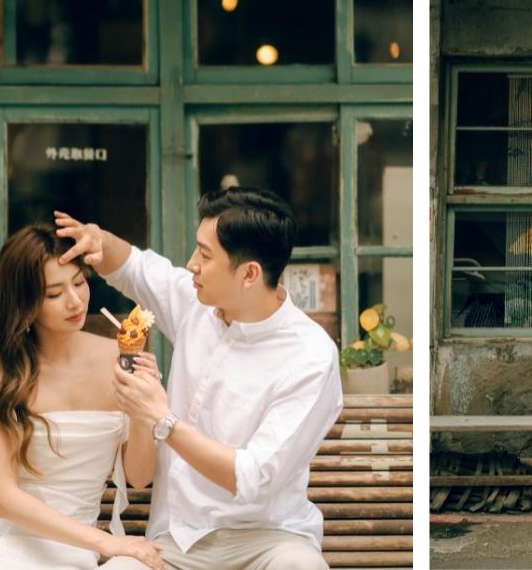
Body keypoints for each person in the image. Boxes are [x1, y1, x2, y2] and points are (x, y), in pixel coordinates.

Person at [55, 187, 343, 570]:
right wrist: (97, 239)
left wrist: (164, 421)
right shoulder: (196, 303)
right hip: (178, 539)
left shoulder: (311, 357)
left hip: (271, 540)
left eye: (205, 255)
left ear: (249, 274)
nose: (191, 264)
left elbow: (252, 478)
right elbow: (134, 267)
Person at [0, 224, 164, 570]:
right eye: (54, 293)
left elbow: (139, 476)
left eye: (79, 282)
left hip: (72, 547)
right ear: (24, 302)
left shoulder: (119, 359)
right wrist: (107, 542)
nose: (75, 301)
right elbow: (4, 499)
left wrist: (142, 406)